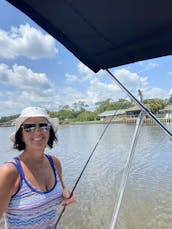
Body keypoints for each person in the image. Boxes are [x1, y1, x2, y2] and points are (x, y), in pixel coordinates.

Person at [0, 106, 76, 229]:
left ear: (49, 131)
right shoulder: (8, 172)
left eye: (43, 126)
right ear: (21, 134)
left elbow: (62, 192)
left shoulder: (55, 163)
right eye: (29, 127)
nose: (37, 131)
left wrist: (68, 196)